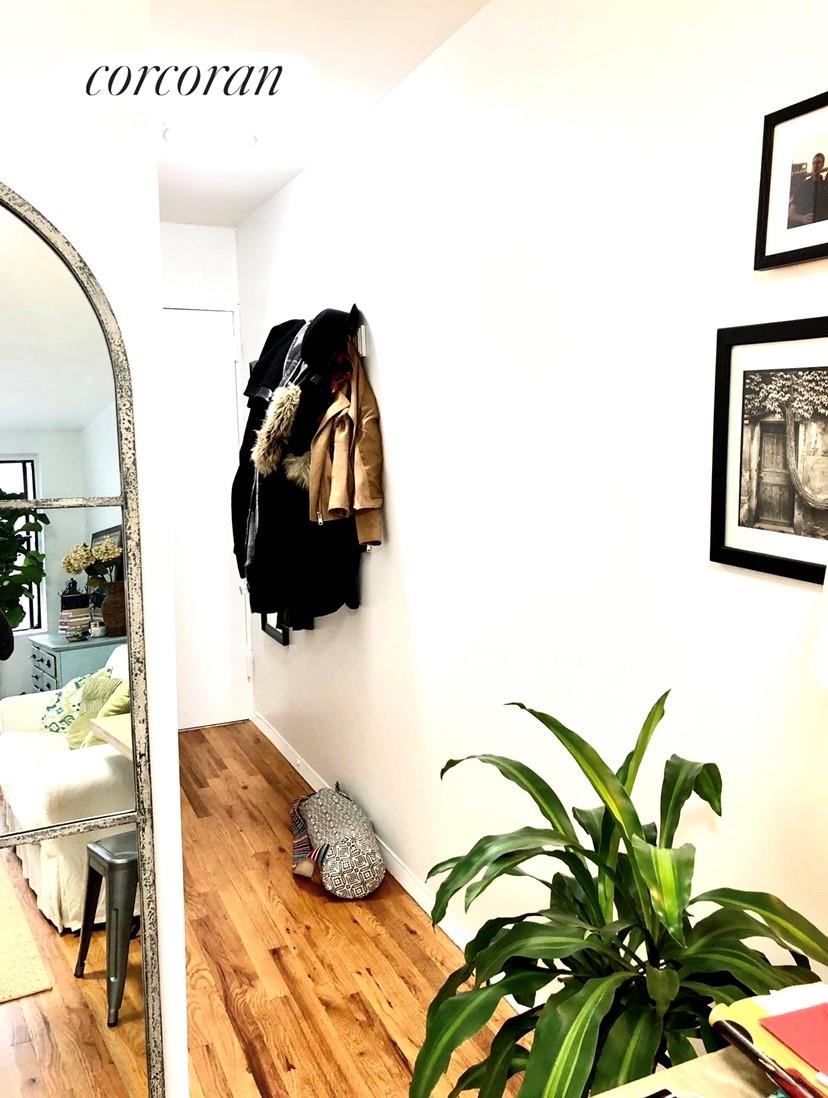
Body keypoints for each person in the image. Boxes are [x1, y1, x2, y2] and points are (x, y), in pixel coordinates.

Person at [788, 153, 827, 227]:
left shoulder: (825, 185)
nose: (816, 165)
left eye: (819, 162)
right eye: (814, 163)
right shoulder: (803, 186)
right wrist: (803, 218)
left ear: (823, 165)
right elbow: (791, 214)